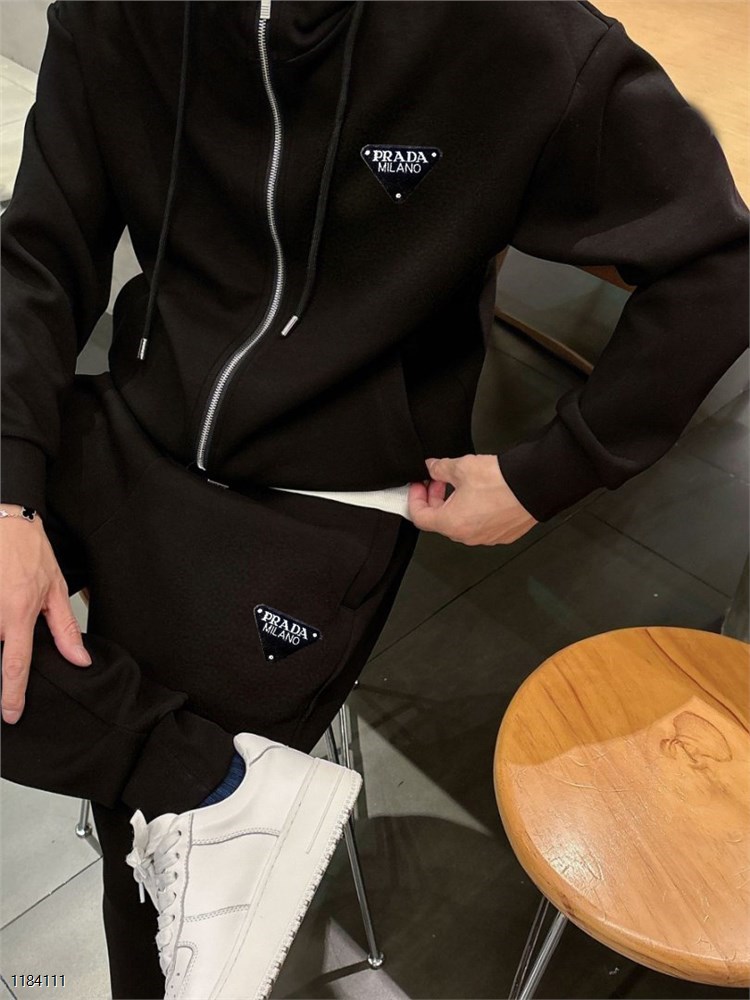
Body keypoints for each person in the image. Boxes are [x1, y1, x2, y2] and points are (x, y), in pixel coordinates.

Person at [1, 1, 747, 997]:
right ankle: (208, 792)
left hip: (314, 503)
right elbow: (37, 254)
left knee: (150, 894)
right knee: (150, 781)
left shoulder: (509, 36)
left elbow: (718, 262)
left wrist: (547, 473)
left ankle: (183, 801)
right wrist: (7, 494)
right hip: (133, 422)